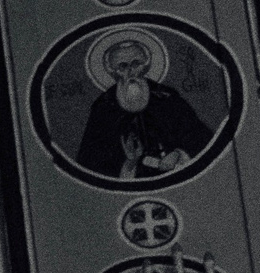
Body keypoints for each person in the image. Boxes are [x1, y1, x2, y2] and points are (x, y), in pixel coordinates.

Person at [74, 33, 213, 181]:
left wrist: (178, 154)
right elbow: (89, 164)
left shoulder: (167, 98)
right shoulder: (104, 107)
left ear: (146, 65)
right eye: (122, 66)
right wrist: (129, 163)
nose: (130, 72)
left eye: (135, 64)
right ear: (112, 71)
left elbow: (200, 138)